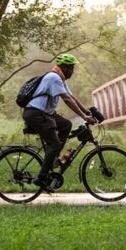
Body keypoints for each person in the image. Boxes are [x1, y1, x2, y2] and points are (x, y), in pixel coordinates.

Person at [23, 53, 97, 193]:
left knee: (66, 125)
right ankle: (42, 178)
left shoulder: (60, 79)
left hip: (44, 113)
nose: (72, 72)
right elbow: (66, 100)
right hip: (36, 113)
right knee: (55, 144)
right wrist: (84, 117)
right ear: (64, 67)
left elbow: (71, 97)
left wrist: (86, 112)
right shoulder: (53, 77)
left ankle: (54, 157)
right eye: (71, 68)